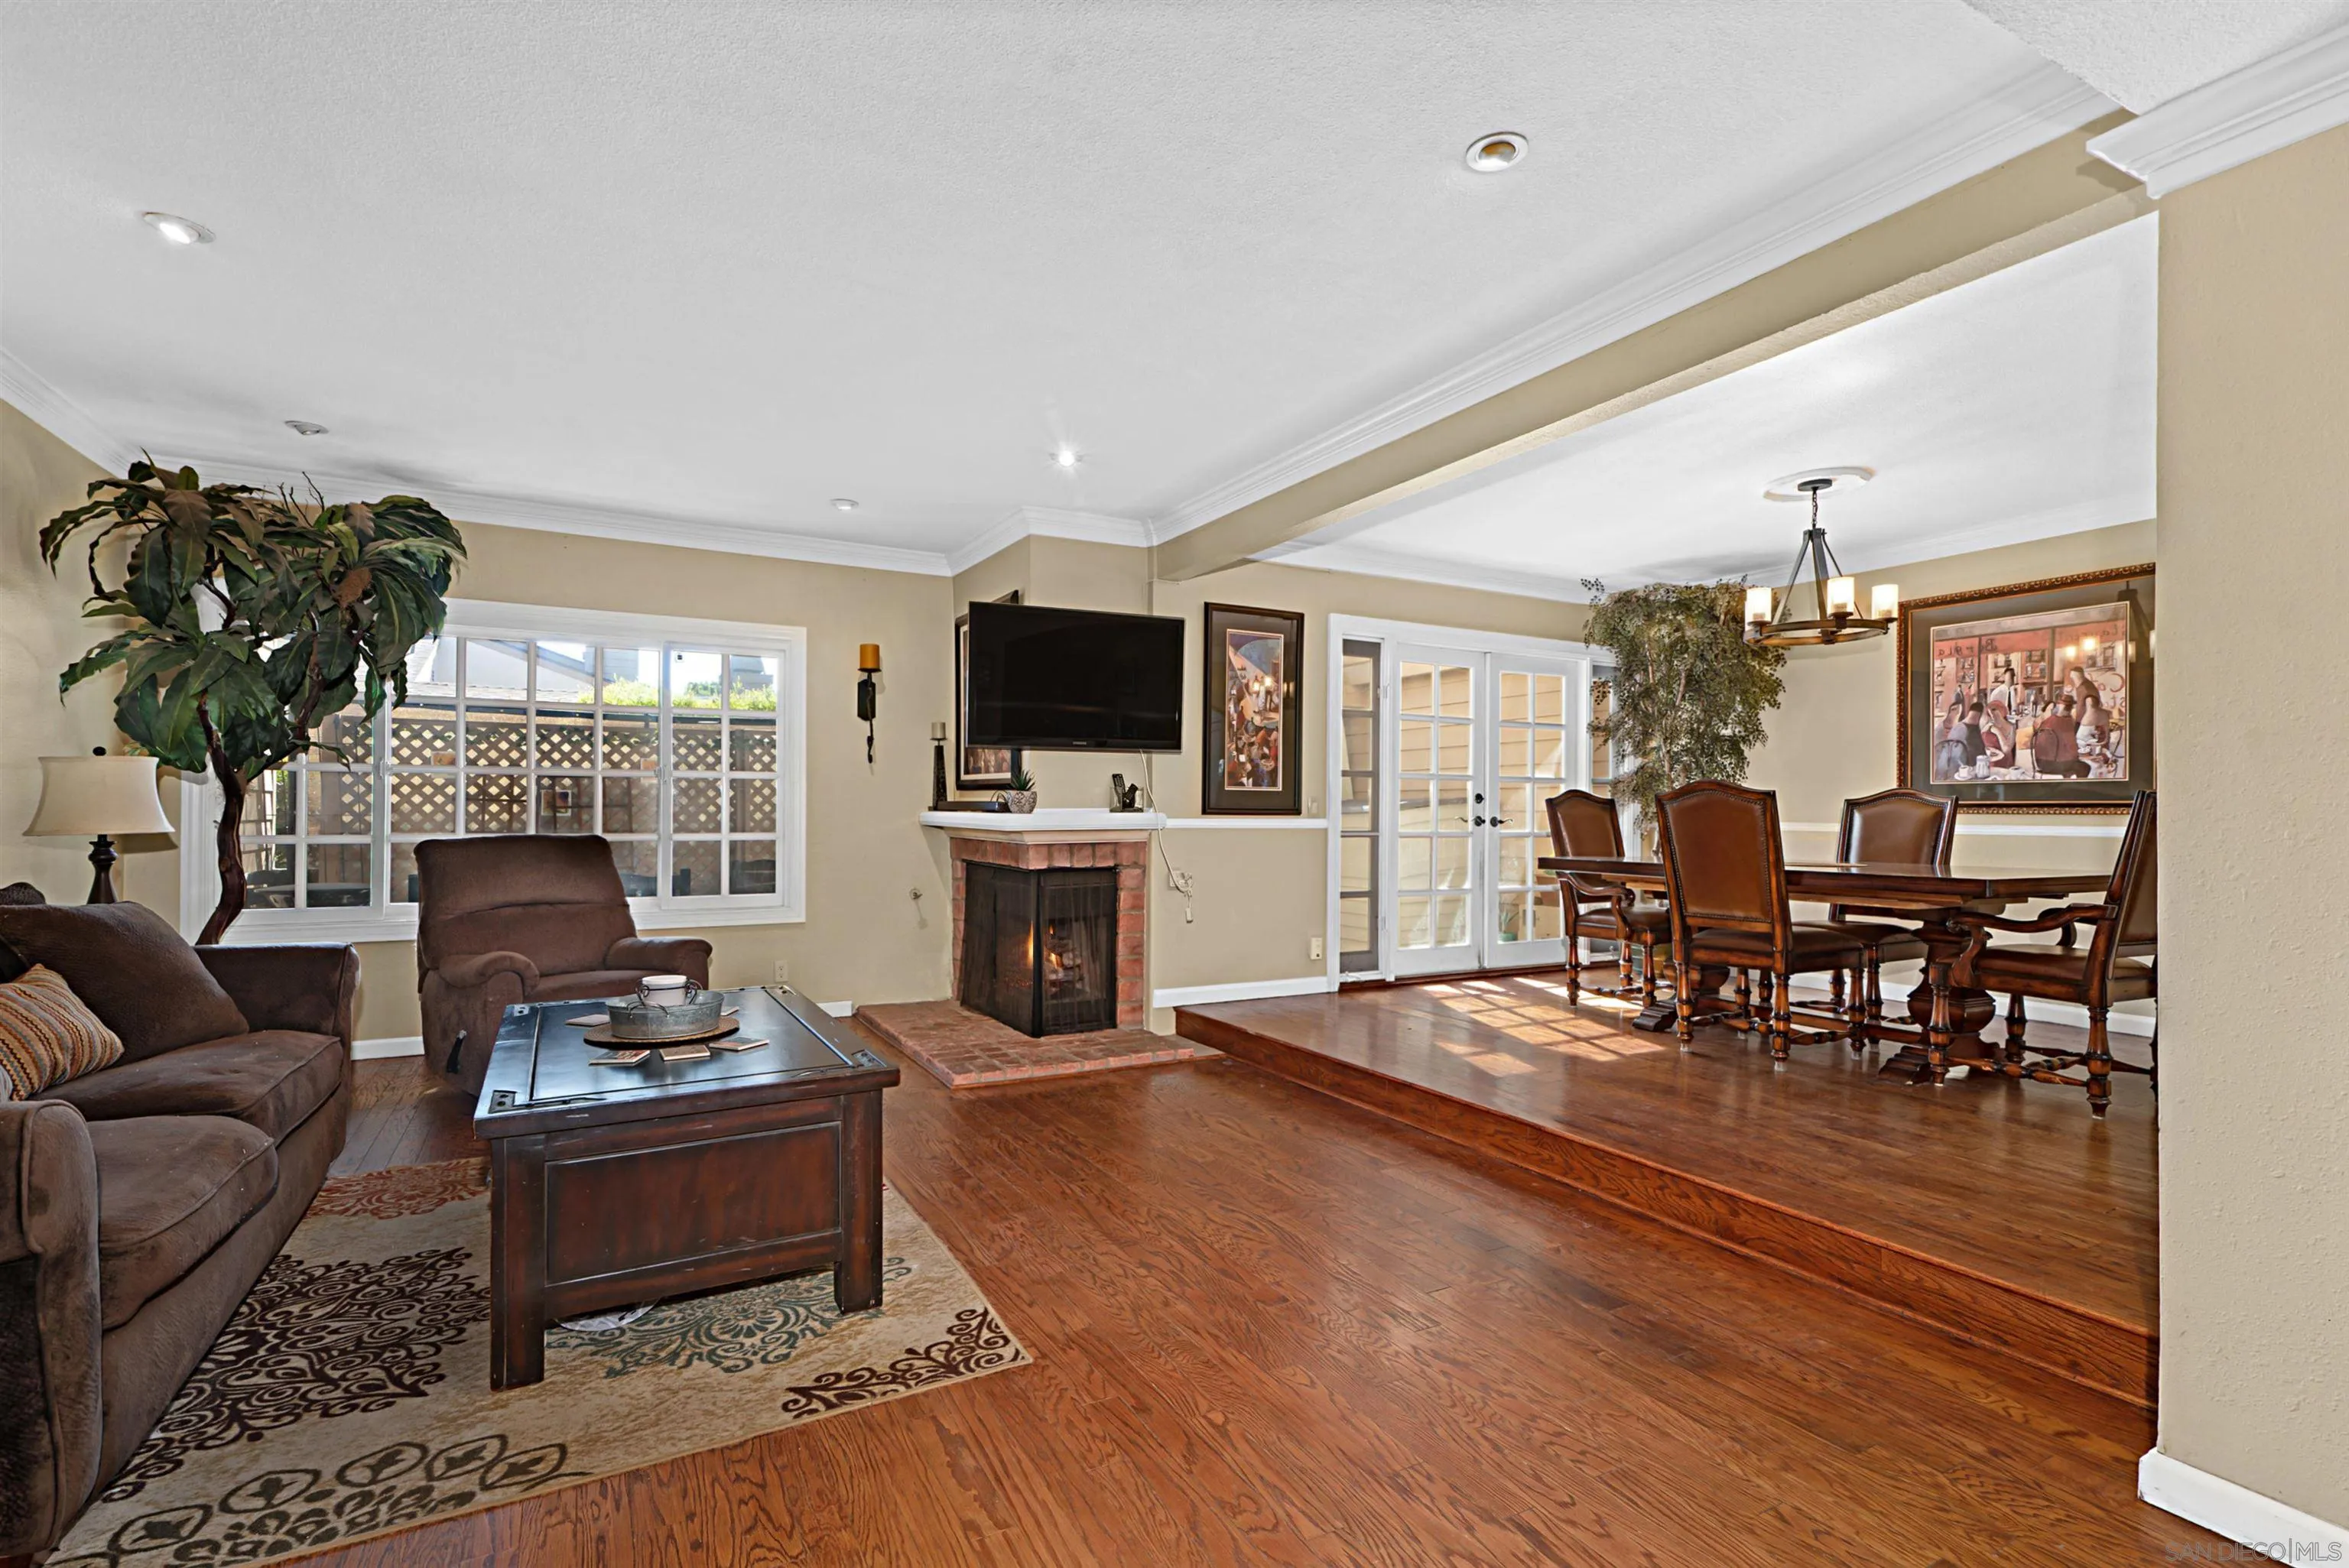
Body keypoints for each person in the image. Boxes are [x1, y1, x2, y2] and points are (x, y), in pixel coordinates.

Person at [2034, 694, 2087, 778]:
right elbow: (2072, 748)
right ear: (2070, 708)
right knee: (2086, 767)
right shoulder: (2068, 722)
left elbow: (2036, 729)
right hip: (2058, 766)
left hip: (2040, 763)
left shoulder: (2048, 719)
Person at [1935, 698, 1970, 780]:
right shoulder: (1940, 727)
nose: (1957, 712)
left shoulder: (1961, 727)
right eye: (1954, 709)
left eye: (1959, 710)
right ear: (1949, 711)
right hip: (1942, 753)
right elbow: (1936, 744)